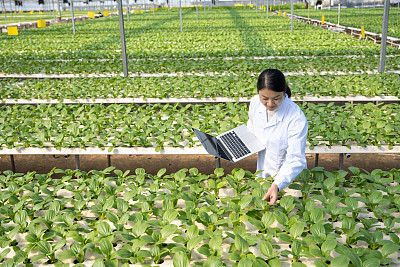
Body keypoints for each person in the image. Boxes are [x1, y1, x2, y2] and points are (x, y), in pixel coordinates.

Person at [247, 69, 308, 204]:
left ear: (284, 92)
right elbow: (251, 127)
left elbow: (295, 158)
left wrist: (277, 184)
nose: (270, 103)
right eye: (264, 98)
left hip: (290, 180)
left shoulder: (296, 117)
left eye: (276, 98)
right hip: (263, 174)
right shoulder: (255, 103)